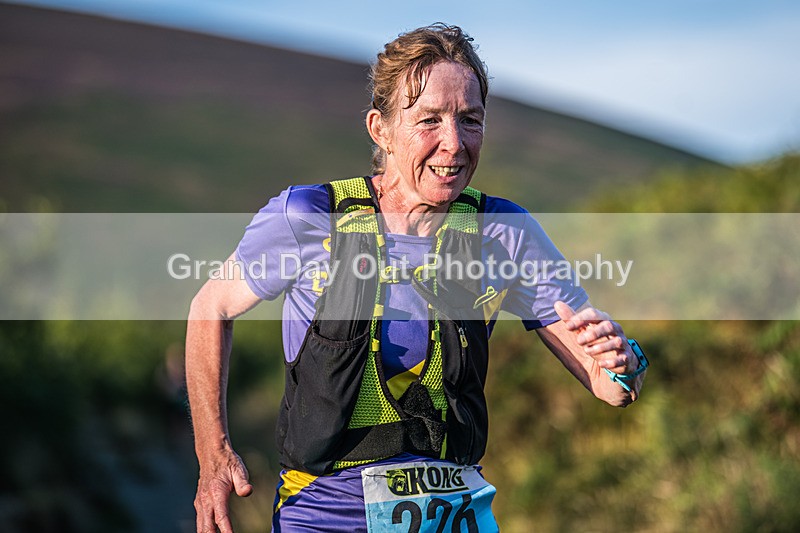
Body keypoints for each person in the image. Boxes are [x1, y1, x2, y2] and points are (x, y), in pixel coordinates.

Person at [186, 23, 647, 533]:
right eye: (429, 120)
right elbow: (211, 307)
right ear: (380, 129)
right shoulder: (310, 215)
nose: (453, 144)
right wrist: (213, 455)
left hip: (458, 516)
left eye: (470, 120)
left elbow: (612, 386)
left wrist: (624, 363)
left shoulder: (503, 233)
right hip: (325, 516)